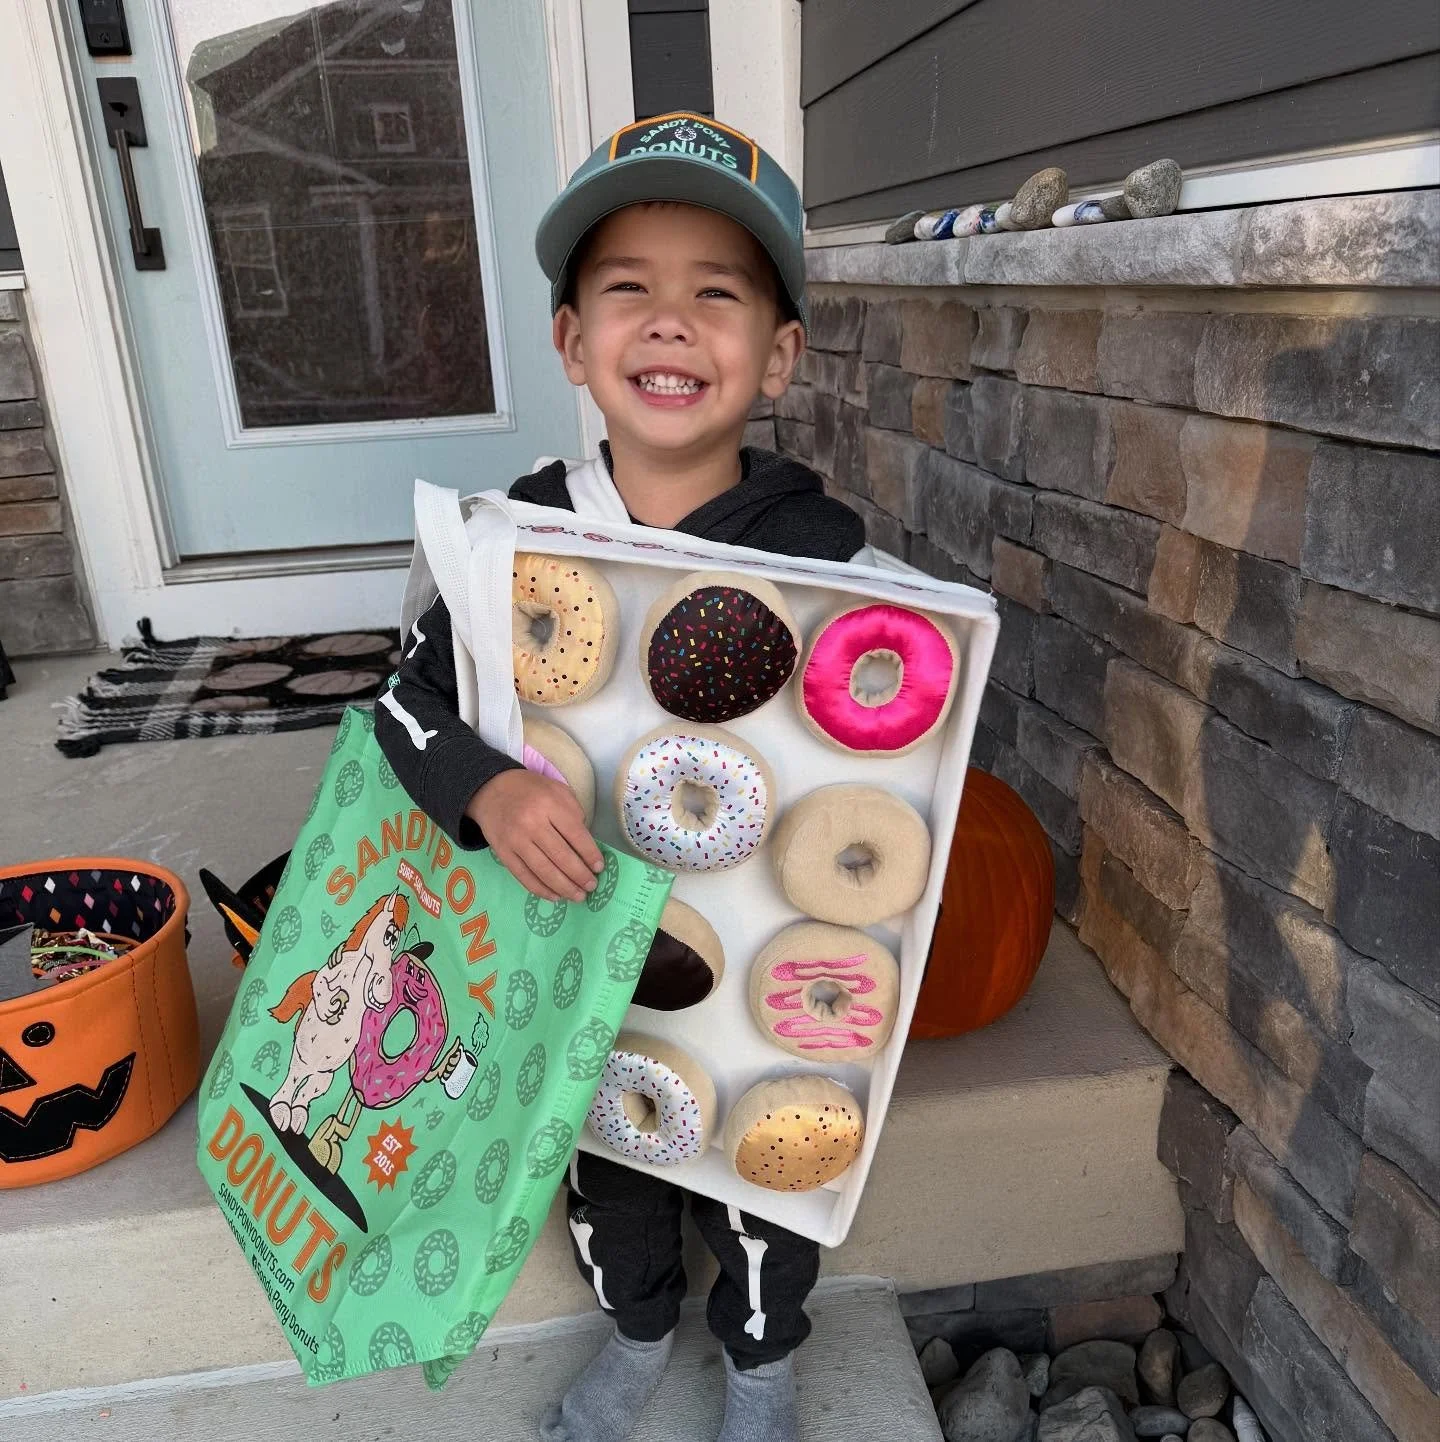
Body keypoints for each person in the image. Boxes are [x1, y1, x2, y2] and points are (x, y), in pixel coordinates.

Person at [374, 111, 864, 1442]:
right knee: (605, 1148)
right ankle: (642, 1322)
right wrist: (485, 784)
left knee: (768, 1152)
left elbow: (885, 749)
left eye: (716, 293)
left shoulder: (825, 553)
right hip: (577, 930)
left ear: (778, 358)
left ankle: (760, 1359)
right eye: (627, 290)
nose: (667, 321)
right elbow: (401, 706)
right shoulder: (512, 545)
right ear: (571, 341)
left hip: (759, 946)